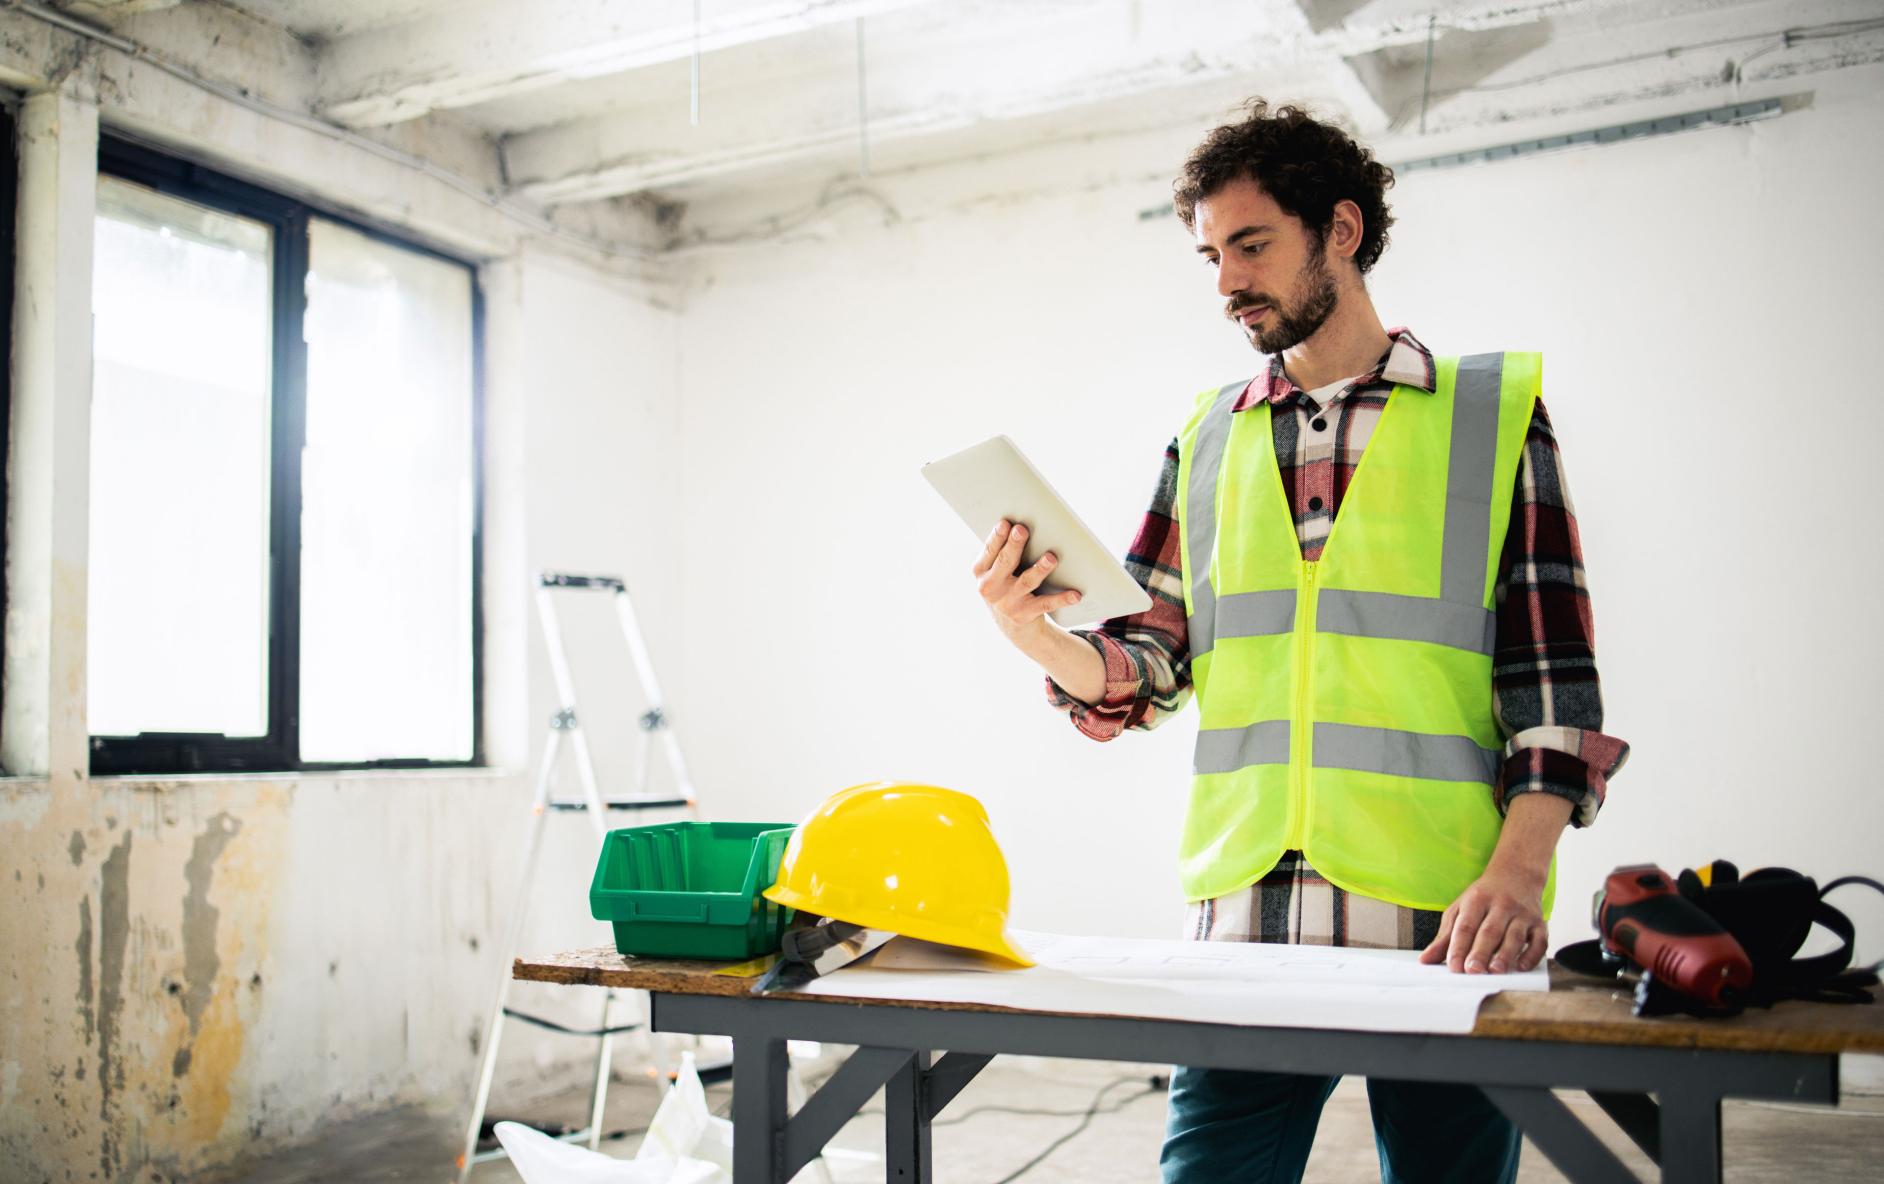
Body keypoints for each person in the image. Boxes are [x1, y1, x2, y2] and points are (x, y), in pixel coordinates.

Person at [969, 99, 1629, 1183]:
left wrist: (1520, 872)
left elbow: (1552, 683)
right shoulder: (1208, 434)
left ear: (1342, 229)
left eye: (1251, 244)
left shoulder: (1493, 414)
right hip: (1248, 912)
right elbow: (1153, 656)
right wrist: (1033, 633)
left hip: (1446, 917)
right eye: (1210, 254)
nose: (1227, 280)